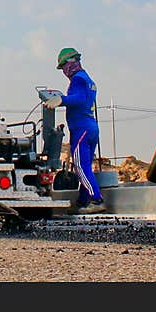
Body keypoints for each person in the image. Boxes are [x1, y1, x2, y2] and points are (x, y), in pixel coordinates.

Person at [43, 47, 105, 214]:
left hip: (81, 128)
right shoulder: (88, 79)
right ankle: (83, 201)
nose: (64, 70)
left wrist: (61, 100)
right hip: (91, 127)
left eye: (63, 66)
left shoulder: (77, 80)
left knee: (79, 166)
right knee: (85, 166)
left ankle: (96, 199)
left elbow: (79, 99)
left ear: (70, 63)